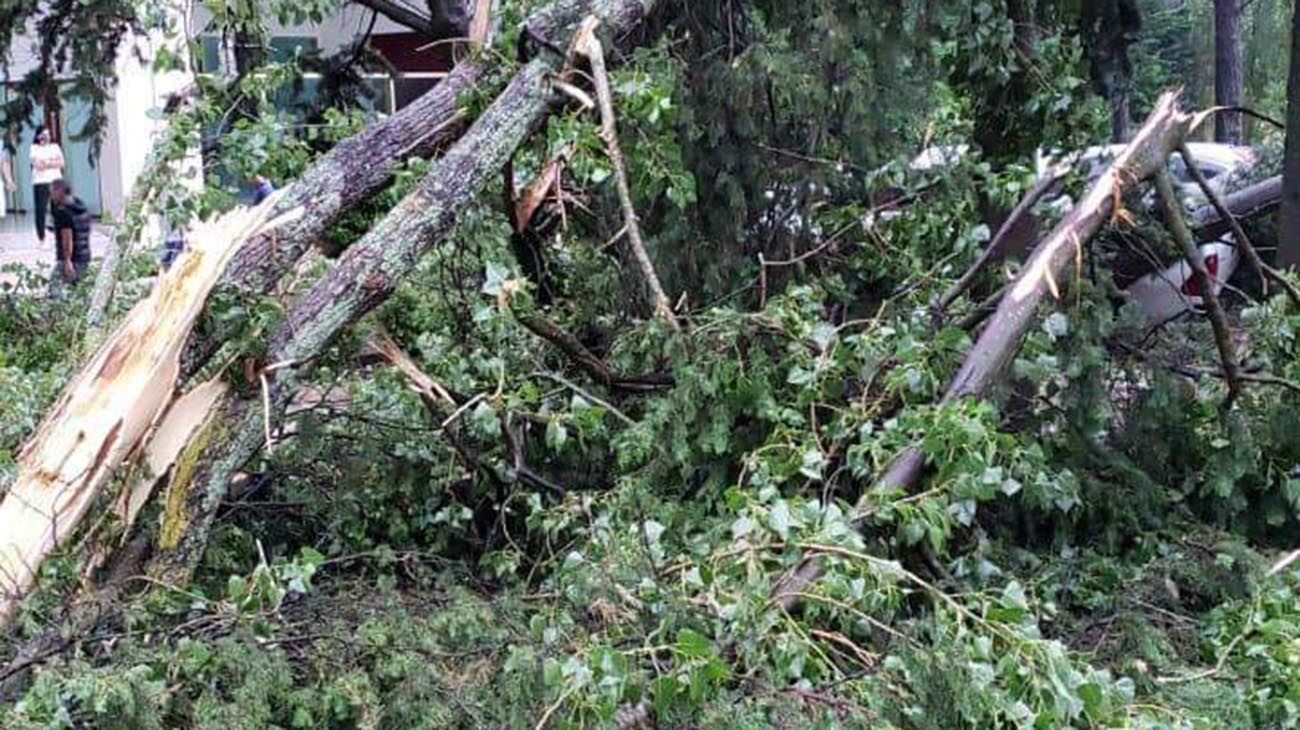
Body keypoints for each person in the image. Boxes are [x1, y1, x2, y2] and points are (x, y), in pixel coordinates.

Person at [49, 179, 91, 290]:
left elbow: (67, 238)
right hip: (84, 256)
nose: (51, 195)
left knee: (55, 290)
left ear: (59, 192)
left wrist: (67, 261)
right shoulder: (81, 207)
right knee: (77, 290)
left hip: (71, 259)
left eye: (52, 191)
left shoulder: (63, 212)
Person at [30, 127, 64, 242]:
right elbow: (38, 165)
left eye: (48, 134)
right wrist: (52, 162)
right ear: (38, 136)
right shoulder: (34, 148)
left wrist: (46, 162)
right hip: (41, 182)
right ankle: (41, 238)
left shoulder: (55, 147)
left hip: (56, 181)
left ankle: (59, 236)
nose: (46, 137)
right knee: (41, 210)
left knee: (58, 210)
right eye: (43, 134)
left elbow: (61, 163)